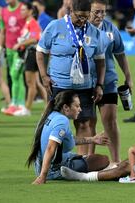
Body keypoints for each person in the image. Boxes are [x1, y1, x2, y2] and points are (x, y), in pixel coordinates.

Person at [36, 0, 107, 155]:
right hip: (59, 85)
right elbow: (40, 51)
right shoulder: (55, 26)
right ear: (70, 11)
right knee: (53, 123)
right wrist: (43, 76)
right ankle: (49, 158)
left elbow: (101, 62)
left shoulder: (94, 33)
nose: (82, 21)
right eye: (79, 16)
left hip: (84, 87)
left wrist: (99, 84)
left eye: (86, 17)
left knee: (83, 124)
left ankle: (81, 161)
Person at [27, 90, 110, 184]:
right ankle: (81, 176)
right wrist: (43, 176)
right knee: (103, 160)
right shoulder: (62, 121)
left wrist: (93, 139)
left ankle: (79, 165)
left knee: (92, 159)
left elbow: (69, 139)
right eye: (77, 106)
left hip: (44, 165)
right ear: (66, 107)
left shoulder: (50, 115)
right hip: (55, 169)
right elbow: (50, 148)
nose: (80, 109)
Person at [88, 0, 133, 164]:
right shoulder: (80, 28)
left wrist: (128, 76)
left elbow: (120, 54)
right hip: (84, 83)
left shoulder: (111, 28)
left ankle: (115, 161)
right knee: (88, 122)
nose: (100, 15)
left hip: (107, 82)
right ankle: (88, 160)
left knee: (110, 120)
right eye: (96, 12)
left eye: (103, 12)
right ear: (88, 10)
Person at [11, 2, 47, 116]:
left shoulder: (33, 23)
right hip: (31, 53)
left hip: (32, 54)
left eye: (23, 10)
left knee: (30, 82)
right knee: (36, 83)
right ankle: (48, 108)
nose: (21, 12)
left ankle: (27, 109)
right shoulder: (28, 23)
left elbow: (35, 38)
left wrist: (20, 44)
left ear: (30, 11)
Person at [0, 0, 27, 115]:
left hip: (20, 50)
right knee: (13, 76)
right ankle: (14, 104)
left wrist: (23, 43)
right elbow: (2, 32)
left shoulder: (23, 9)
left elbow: (28, 27)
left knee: (16, 75)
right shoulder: (3, 11)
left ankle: (20, 104)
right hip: (8, 49)